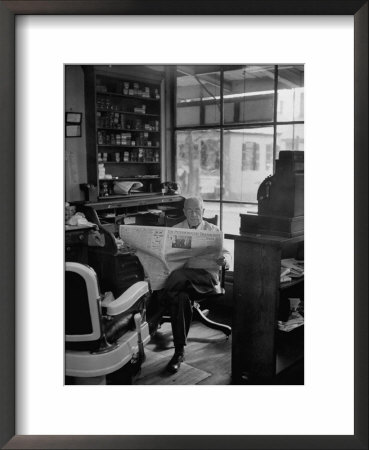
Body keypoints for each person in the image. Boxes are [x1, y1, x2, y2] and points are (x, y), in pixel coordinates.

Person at [161, 196, 231, 373]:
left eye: (197, 210)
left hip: (206, 278)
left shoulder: (212, 230)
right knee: (181, 296)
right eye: (190, 210)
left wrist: (225, 261)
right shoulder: (176, 230)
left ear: (203, 211)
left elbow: (227, 254)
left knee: (178, 277)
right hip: (183, 282)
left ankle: (157, 308)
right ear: (184, 212)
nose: (194, 214)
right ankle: (179, 352)